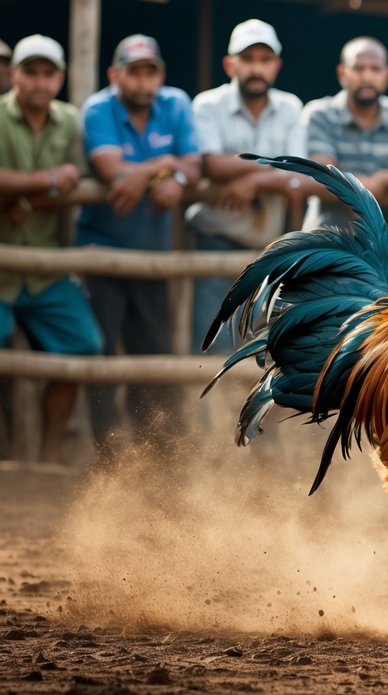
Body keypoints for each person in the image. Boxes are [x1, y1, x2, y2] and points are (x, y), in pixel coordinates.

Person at [77, 34, 200, 456]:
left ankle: (159, 453)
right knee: (103, 355)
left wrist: (177, 176)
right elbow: (111, 169)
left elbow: (194, 164)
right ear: (115, 75)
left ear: (160, 75)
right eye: (134, 72)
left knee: (153, 354)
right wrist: (166, 166)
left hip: (152, 256)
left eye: (151, 71)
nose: (143, 81)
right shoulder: (98, 109)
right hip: (103, 255)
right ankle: (108, 456)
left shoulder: (176, 104)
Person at [0, 35, 102, 463]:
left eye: (48, 73)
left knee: (84, 344)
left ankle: (47, 455)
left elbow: (78, 181)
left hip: (47, 268)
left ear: (60, 77)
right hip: (2, 269)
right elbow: (59, 181)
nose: (40, 82)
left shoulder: (68, 120)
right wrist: (47, 181)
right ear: (15, 75)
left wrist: (24, 198)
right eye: (31, 72)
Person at [187, 19, 309, 353]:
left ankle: (235, 408)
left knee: (258, 343)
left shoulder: (290, 107)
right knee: (213, 341)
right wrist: (275, 172)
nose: (256, 68)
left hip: (266, 246)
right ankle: (204, 409)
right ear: (230, 64)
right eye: (248, 59)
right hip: (215, 238)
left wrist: (251, 178)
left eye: (264, 60)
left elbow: (299, 170)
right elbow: (212, 163)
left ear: (276, 66)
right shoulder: (207, 104)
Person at [303, 37, 388, 245]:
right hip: (323, 243)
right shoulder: (320, 114)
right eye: (358, 68)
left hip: (380, 246)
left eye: (375, 69)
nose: (367, 76)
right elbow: (322, 176)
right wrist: (372, 185)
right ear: (342, 73)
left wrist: (380, 180)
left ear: (386, 75)